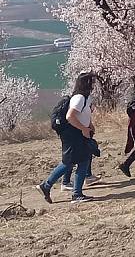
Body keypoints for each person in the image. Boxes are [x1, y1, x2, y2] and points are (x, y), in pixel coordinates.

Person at [36, 72, 97, 204]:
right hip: (73, 135)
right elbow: (70, 116)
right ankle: (67, 192)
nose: (94, 84)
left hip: (79, 133)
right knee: (70, 162)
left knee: (82, 161)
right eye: (92, 81)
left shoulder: (86, 98)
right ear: (86, 83)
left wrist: (90, 125)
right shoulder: (79, 98)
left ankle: (67, 191)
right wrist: (83, 128)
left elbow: (84, 113)